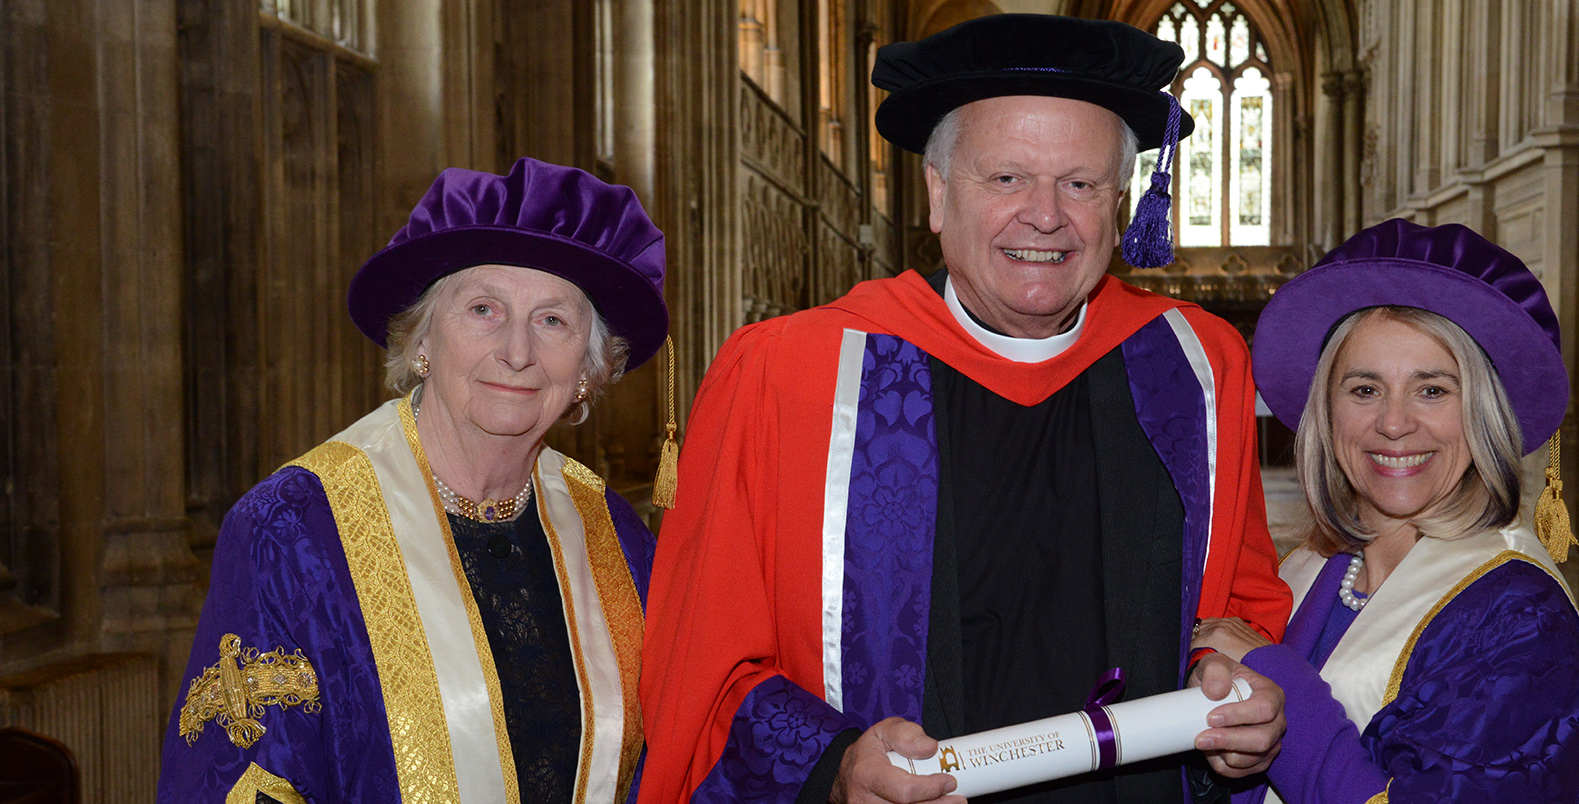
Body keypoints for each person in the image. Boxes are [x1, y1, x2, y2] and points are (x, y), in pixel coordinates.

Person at [641, 15, 1290, 804]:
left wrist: (1236, 690)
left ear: (1119, 203)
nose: (1046, 215)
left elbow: (1238, 610)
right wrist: (836, 764)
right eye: (1007, 177)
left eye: (1080, 184)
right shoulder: (791, 376)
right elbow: (706, 661)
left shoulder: (1192, 367)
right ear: (939, 194)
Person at [157, 158, 667, 804]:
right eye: (484, 309)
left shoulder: (615, 540)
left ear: (588, 371)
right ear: (423, 340)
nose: (517, 352)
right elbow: (243, 783)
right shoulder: (296, 531)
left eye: (553, 321)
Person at [1190, 219, 1579, 803]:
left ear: (1482, 411)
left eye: (1432, 390)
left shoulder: (1514, 614)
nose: (1393, 423)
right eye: (1364, 389)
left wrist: (1275, 674)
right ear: (1327, 413)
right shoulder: (1312, 565)